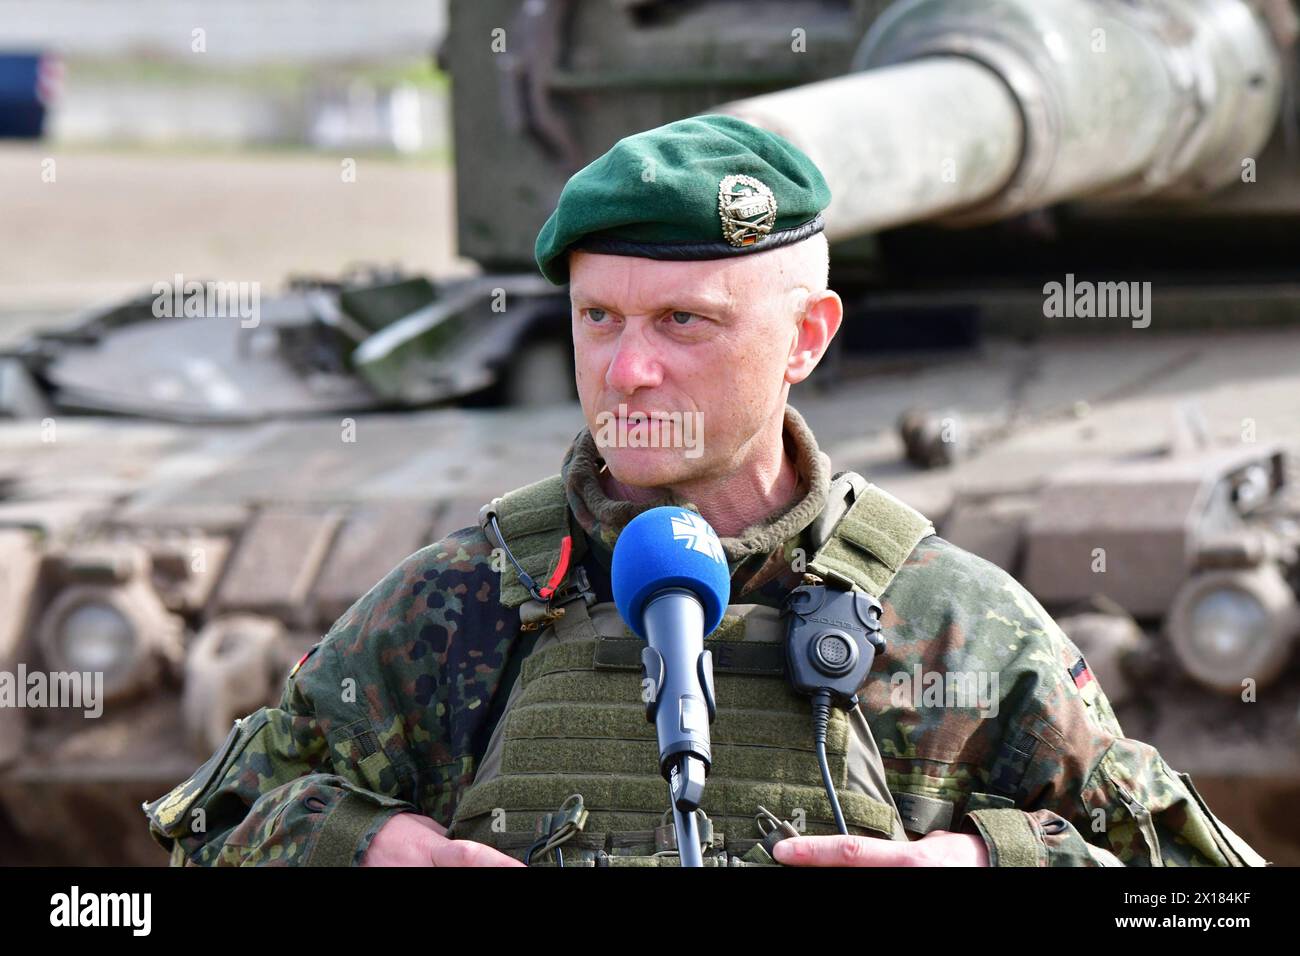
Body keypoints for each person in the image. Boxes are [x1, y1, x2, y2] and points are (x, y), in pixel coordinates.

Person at [144, 115, 1265, 867]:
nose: (629, 370)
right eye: (600, 318)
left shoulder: (952, 625)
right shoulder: (460, 606)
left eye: (685, 320)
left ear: (805, 337)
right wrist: (376, 845)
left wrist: (987, 860)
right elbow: (214, 820)